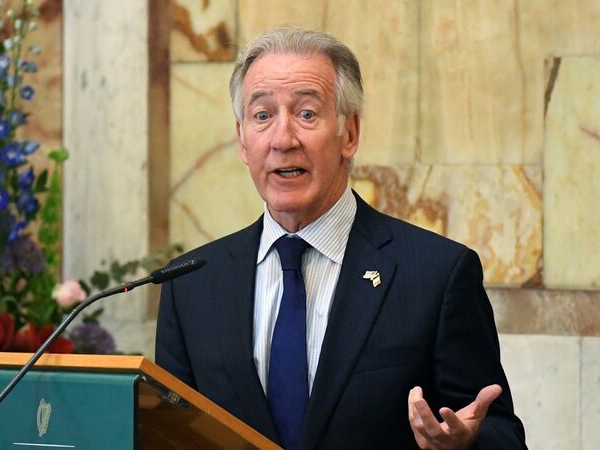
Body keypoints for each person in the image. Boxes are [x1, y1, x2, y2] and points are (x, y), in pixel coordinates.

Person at [156, 26, 526, 450]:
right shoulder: (189, 286)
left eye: (307, 114)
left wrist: (465, 445)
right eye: (262, 116)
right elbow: (169, 436)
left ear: (349, 133)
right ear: (242, 140)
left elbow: (502, 434)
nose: (282, 138)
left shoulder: (435, 275)